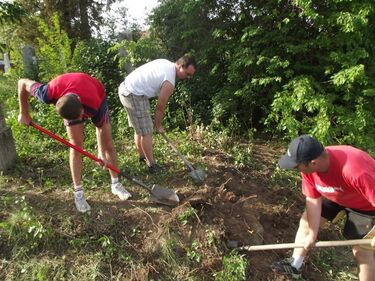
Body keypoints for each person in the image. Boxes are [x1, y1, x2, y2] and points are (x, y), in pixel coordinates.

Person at [18, 72, 132, 213]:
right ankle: (78, 193)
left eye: (81, 116)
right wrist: (24, 113)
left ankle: (116, 184)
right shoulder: (47, 93)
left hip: (96, 93)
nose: (81, 120)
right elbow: (22, 82)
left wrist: (100, 152)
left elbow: (100, 127)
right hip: (67, 92)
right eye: (77, 119)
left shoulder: (93, 103)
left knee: (108, 144)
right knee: (76, 146)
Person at [272, 135, 375, 280]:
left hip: (367, 204)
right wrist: (312, 234)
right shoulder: (309, 170)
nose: (295, 169)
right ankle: (295, 266)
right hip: (339, 193)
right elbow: (313, 199)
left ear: (313, 163)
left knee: (361, 251)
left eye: (296, 166)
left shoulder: (355, 170)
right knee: (306, 223)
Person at [118, 55, 196, 173]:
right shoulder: (169, 81)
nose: (188, 77)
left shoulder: (166, 62)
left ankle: (142, 157)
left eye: (190, 75)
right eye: (187, 74)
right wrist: (158, 125)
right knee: (147, 131)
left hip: (127, 88)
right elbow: (160, 107)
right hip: (132, 93)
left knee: (140, 128)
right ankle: (151, 165)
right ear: (180, 66)